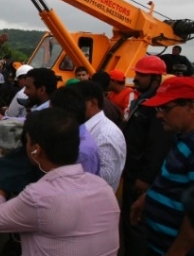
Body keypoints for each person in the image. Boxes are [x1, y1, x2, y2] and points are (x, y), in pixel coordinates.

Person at [0, 108, 120, 256]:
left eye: (27, 142)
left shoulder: (38, 197)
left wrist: (1, 183)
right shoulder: (104, 189)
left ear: (36, 150)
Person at [131, 77, 194, 255]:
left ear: (190, 106)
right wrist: (149, 196)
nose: (159, 115)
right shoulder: (181, 137)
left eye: (165, 108)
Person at [121, 55, 176, 256]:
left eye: (141, 75)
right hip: (133, 171)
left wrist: (145, 178)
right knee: (129, 222)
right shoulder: (143, 99)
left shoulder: (155, 105)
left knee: (136, 223)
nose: (136, 78)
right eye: (137, 74)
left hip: (140, 176)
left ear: (155, 79)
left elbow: (157, 145)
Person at [74, 81, 127, 191]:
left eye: (76, 102)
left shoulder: (106, 135)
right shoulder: (87, 127)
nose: (72, 106)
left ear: (93, 103)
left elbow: (106, 179)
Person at [49, 85, 101, 176]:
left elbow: (80, 187)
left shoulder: (82, 150)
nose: (47, 115)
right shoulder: (70, 135)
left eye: (50, 111)